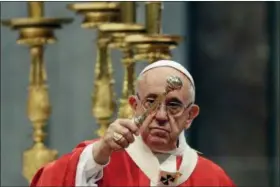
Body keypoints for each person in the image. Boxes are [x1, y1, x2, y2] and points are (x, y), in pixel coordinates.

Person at [30, 60, 235, 187]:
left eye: (174, 105)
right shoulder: (100, 162)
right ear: (134, 105)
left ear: (190, 115)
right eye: (151, 102)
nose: (161, 115)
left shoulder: (213, 179)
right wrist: (100, 150)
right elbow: (52, 180)